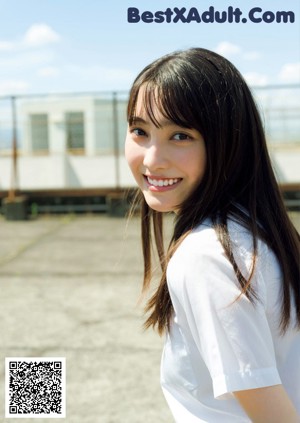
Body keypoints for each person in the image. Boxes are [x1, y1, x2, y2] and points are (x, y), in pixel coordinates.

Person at [125, 47, 300, 422]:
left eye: (181, 135)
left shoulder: (207, 255)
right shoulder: (253, 231)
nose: (152, 159)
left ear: (229, 144)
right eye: (140, 131)